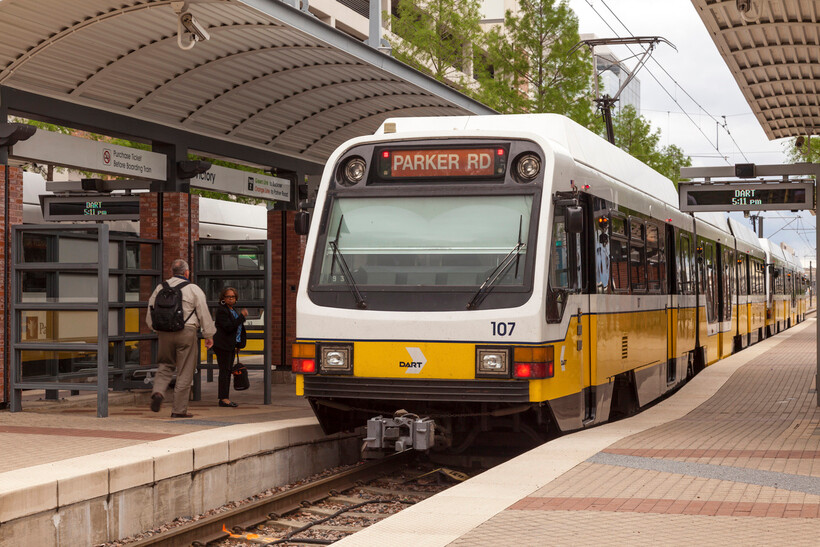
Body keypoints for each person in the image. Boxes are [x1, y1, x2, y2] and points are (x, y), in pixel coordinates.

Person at [146, 258, 215, 417]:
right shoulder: (193, 289)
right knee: (185, 371)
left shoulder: (160, 288)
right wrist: (208, 335)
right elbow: (203, 313)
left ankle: (158, 392)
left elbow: (151, 312)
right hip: (186, 331)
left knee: (165, 365)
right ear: (186, 272)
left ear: (172, 272)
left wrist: (156, 329)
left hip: (164, 333)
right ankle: (178, 410)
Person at [213, 286, 248, 407]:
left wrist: (238, 344)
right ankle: (223, 398)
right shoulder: (222, 310)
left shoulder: (232, 310)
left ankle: (225, 397)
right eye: (228, 297)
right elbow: (229, 327)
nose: (231, 299)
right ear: (223, 298)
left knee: (228, 371)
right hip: (223, 345)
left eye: (233, 297)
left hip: (231, 345)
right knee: (225, 371)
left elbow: (237, 330)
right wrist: (242, 317)